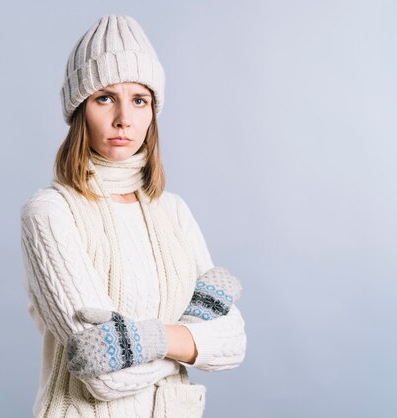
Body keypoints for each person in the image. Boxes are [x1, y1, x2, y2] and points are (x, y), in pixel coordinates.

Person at [20, 15, 247, 418]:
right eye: (105, 97)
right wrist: (191, 335)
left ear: (152, 113)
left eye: (139, 99)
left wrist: (139, 341)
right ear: (79, 110)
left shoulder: (173, 210)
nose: (124, 117)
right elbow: (103, 377)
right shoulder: (50, 213)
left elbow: (233, 343)